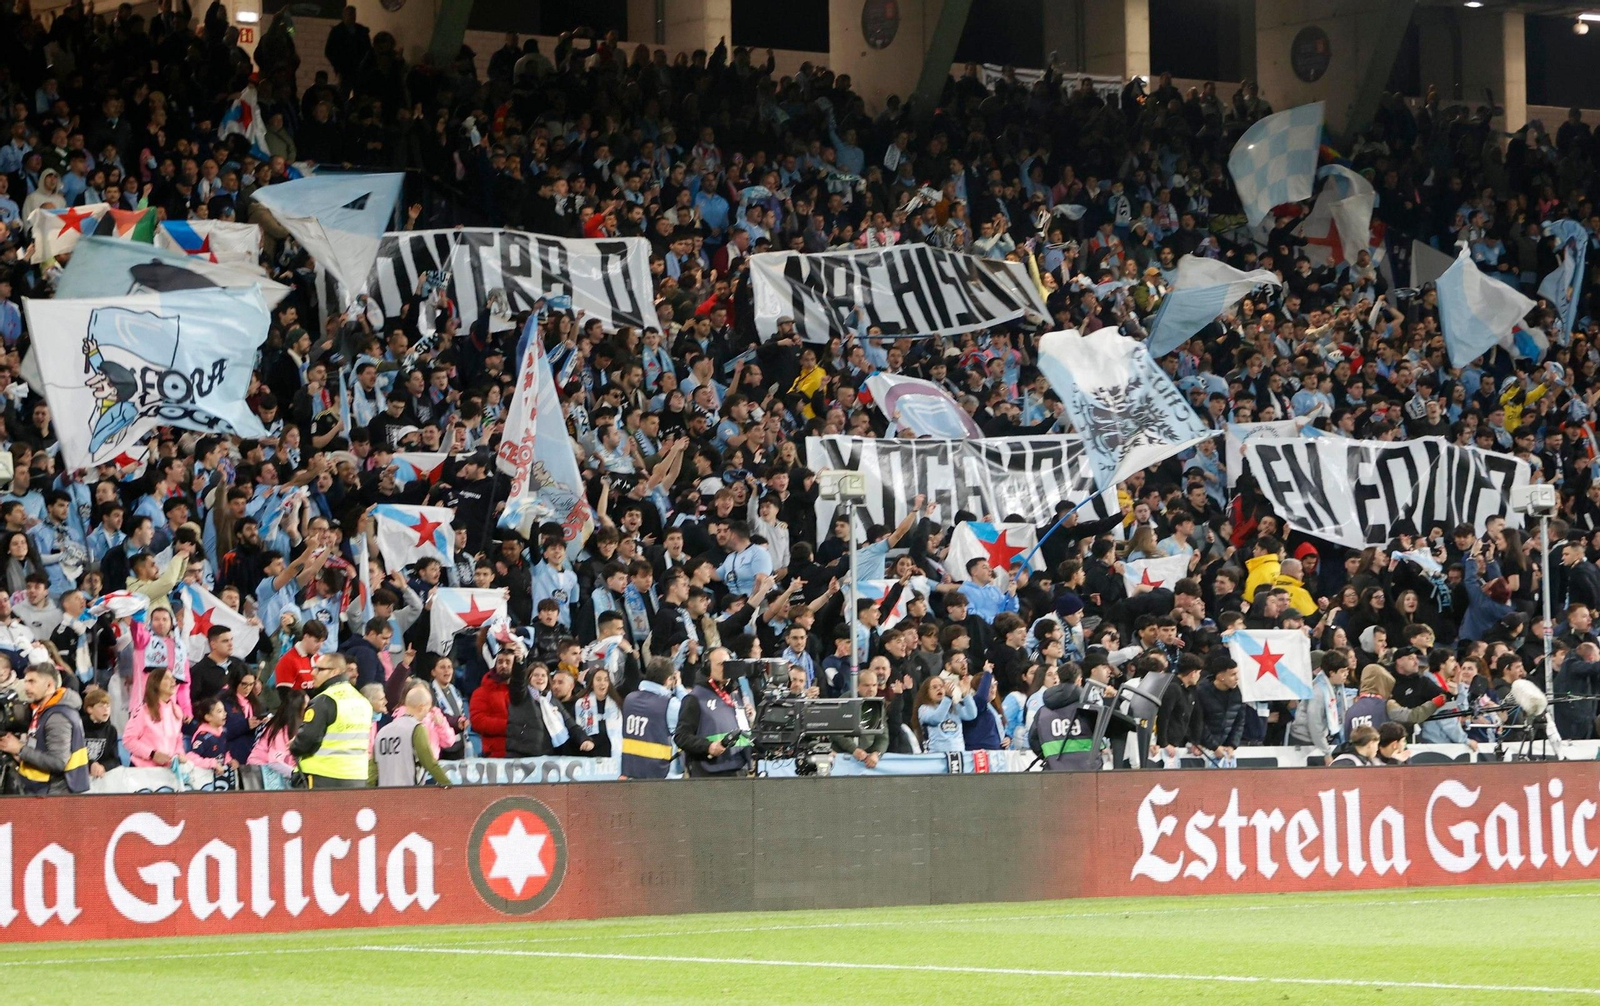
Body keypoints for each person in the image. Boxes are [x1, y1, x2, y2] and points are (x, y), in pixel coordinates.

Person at [0, 663, 88, 793]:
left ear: (49, 685)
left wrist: (20, 749)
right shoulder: (44, 710)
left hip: (52, 794)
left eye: (32, 681)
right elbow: (41, 748)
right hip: (41, 789)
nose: (26, 687)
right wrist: (18, 753)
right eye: (26, 681)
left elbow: (58, 762)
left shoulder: (58, 716)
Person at [288, 653, 373, 788]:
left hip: (321, 778)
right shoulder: (362, 701)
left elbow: (306, 741)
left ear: (335, 672)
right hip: (356, 779)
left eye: (319, 669)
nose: (313, 673)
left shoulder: (324, 700)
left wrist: (294, 745)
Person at [674, 645, 755, 776]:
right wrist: (708, 746)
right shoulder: (695, 698)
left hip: (739, 770)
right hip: (711, 773)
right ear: (707, 667)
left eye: (728, 664)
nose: (726, 669)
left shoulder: (735, 695)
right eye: (721, 664)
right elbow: (681, 737)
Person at [371, 683, 452, 787]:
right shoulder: (417, 729)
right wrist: (448, 785)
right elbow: (429, 763)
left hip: (384, 793)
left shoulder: (382, 732)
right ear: (421, 707)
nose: (429, 712)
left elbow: (373, 769)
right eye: (428, 708)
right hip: (409, 793)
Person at [1029, 664, 1101, 770]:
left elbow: (1033, 740)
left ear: (1059, 679)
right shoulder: (1089, 709)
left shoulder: (1042, 712)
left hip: (1055, 773)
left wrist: (1052, 759)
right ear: (1079, 681)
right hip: (1088, 773)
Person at [621, 656, 681, 779]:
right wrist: (679, 687)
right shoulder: (671, 704)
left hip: (631, 772)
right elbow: (691, 711)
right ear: (669, 679)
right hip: (662, 774)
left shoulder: (629, 699)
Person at [916, 672, 978, 753]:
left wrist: (966, 695)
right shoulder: (924, 708)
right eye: (934, 687)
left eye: (941, 686)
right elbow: (936, 719)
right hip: (937, 755)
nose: (939, 689)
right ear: (927, 693)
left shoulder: (954, 706)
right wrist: (948, 698)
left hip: (958, 753)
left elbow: (971, 715)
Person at [80, 686, 122, 779]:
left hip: (101, 778)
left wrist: (103, 767)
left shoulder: (111, 730)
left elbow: (115, 760)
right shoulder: (78, 727)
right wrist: (90, 765)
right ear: (90, 709)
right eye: (101, 706)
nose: (106, 709)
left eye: (108, 706)